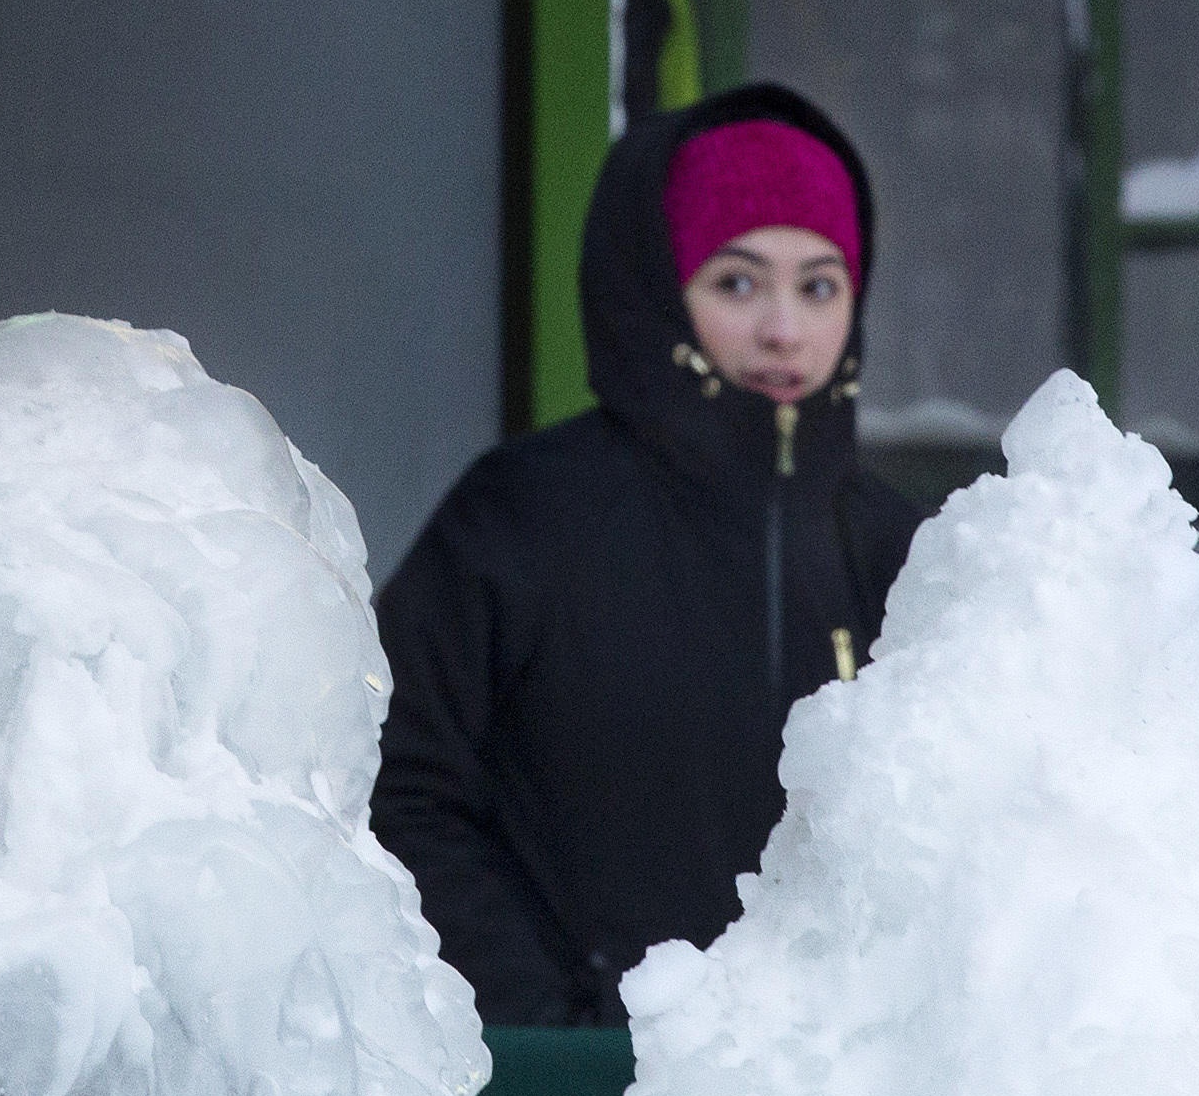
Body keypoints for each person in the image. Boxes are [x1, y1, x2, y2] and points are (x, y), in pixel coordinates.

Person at [370, 81, 921, 1026]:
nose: (783, 330)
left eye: (819, 285)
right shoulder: (526, 515)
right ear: (660, 287)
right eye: (737, 282)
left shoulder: (902, 553)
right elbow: (396, 785)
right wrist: (544, 1017)